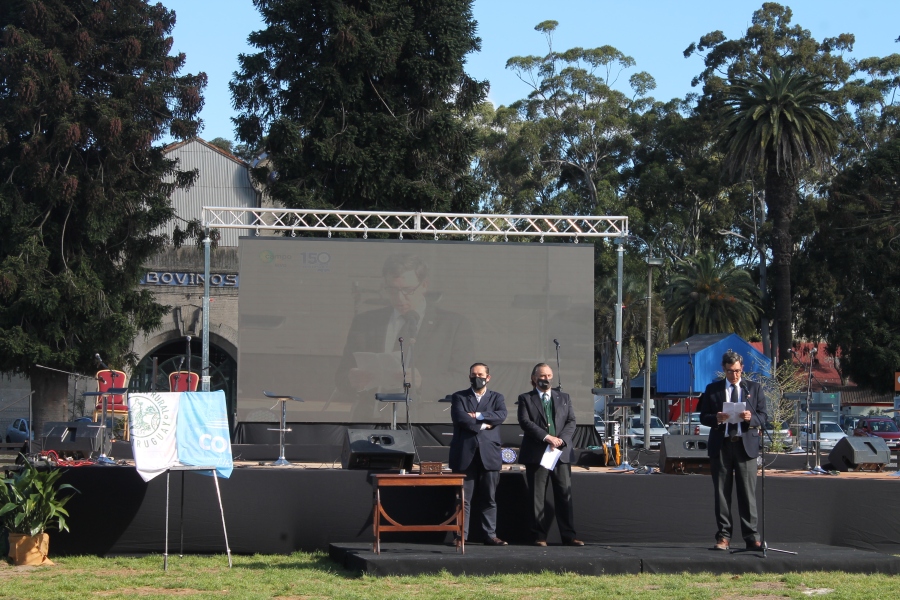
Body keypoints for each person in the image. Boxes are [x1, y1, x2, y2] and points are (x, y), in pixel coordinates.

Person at [335, 253, 474, 422]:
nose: (399, 298)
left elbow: (465, 380)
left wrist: (422, 382)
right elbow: (341, 376)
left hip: (426, 424)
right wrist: (352, 380)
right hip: (371, 421)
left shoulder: (453, 325)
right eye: (392, 290)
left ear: (424, 285)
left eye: (407, 290)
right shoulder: (365, 323)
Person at [698, 350, 767, 551]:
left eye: (737, 371)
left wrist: (750, 419)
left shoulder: (753, 388)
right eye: (730, 371)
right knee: (722, 493)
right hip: (722, 445)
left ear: (742, 369)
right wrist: (716, 418)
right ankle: (724, 536)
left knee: (747, 493)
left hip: (746, 445)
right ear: (724, 370)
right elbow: (703, 416)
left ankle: (752, 537)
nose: (734, 375)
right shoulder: (713, 389)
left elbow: (764, 416)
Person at [516, 363, 583, 547]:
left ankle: (569, 535)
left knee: (564, 495)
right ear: (534, 378)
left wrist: (561, 439)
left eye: (548, 375)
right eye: (542, 376)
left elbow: (571, 421)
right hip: (538, 453)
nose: (546, 379)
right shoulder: (525, 399)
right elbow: (525, 421)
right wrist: (547, 438)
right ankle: (539, 536)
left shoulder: (564, 397)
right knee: (537, 496)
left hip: (560, 454)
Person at [448, 362, 508, 546]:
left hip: (489, 455)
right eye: (473, 374)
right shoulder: (459, 397)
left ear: (488, 377)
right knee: (463, 498)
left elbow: (501, 415)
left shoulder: (497, 397)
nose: (477, 377)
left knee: (489, 498)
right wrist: (484, 423)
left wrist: (478, 415)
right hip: (465, 454)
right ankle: (461, 536)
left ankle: (490, 535)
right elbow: (460, 418)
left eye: (480, 374)